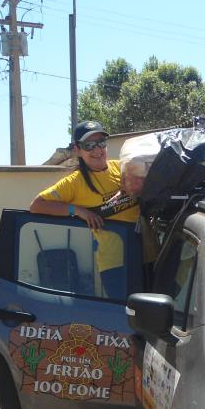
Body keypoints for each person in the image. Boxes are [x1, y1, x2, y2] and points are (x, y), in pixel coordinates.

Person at [29, 121, 139, 299]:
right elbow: (37, 205)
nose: (97, 150)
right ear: (78, 150)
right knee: (128, 314)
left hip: (148, 255)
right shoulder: (74, 182)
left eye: (101, 143)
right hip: (116, 264)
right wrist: (78, 210)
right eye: (89, 145)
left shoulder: (122, 168)